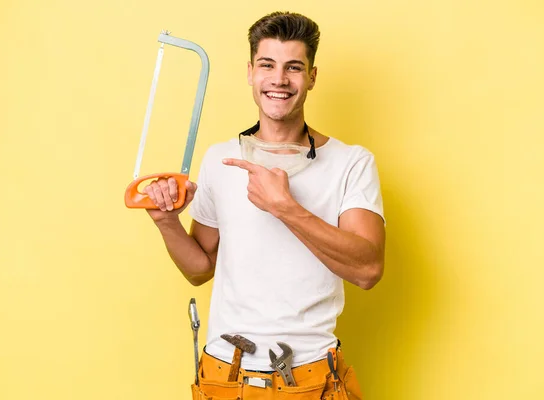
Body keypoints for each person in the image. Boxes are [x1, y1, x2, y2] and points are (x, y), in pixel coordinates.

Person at [144, 11, 385, 400]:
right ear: (251, 73)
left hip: (311, 379)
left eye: (294, 67)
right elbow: (199, 270)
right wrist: (166, 222)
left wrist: (285, 207)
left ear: (312, 77)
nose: (279, 79)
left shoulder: (351, 162)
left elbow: (368, 269)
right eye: (267, 65)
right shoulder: (219, 159)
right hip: (225, 375)